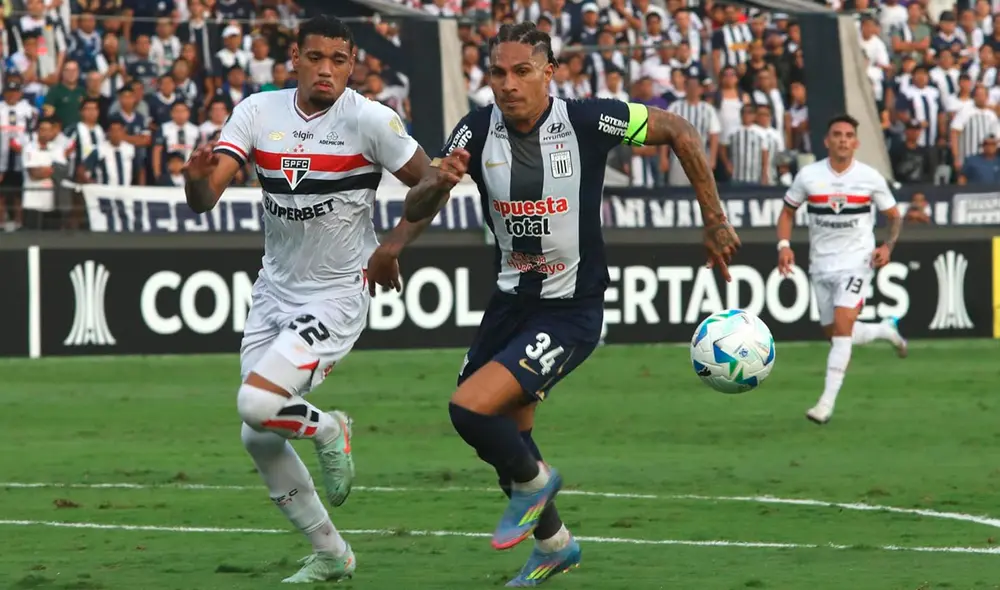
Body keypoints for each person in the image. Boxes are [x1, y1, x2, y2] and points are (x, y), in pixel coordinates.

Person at [387, 22, 740, 587]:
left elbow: (678, 130)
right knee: (508, 440)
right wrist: (436, 185)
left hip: (571, 310)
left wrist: (715, 219)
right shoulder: (475, 130)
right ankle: (554, 545)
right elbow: (422, 195)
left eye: (522, 71)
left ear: (549, 72)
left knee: (470, 410)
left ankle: (536, 485)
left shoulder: (587, 119)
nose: (508, 84)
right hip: (508, 305)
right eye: (498, 72)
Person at [182, 15, 452, 583]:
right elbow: (206, 198)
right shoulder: (258, 111)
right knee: (257, 433)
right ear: (295, 61)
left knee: (255, 405)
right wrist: (194, 179)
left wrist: (412, 219)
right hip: (272, 292)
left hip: (336, 294)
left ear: (353, 65)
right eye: (314, 57)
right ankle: (333, 554)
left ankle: (331, 429)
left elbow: (425, 188)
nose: (325, 68)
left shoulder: (372, 120)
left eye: (338, 59)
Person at [776, 115, 908, 426]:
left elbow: (894, 216)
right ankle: (883, 330)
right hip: (821, 265)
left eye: (849, 135)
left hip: (857, 262)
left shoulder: (869, 177)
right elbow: (787, 211)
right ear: (827, 140)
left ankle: (825, 403)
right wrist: (783, 245)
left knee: (842, 324)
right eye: (837, 134)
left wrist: (887, 246)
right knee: (836, 333)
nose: (843, 140)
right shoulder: (809, 175)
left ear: (856, 142)